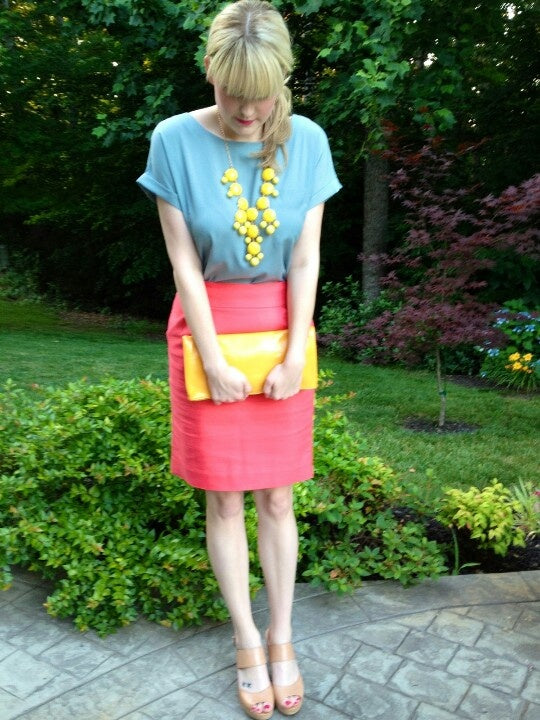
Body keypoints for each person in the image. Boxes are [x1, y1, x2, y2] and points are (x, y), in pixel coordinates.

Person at [137, 1, 341, 717]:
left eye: (261, 93)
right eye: (231, 91)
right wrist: (211, 356)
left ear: (282, 78)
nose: (247, 110)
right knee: (223, 497)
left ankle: (284, 635)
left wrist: (297, 348)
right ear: (210, 71)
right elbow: (184, 265)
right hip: (206, 331)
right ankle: (246, 639)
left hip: (283, 330)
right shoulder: (171, 140)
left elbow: (308, 256)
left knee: (279, 496)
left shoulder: (309, 141)